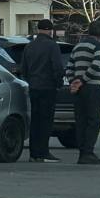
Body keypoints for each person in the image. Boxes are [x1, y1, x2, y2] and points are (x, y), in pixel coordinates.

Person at [21, 19, 65, 163]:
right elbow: (57, 67)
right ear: (50, 30)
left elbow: (24, 69)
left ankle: (34, 153)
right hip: (48, 87)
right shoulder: (52, 46)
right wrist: (59, 83)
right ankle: (43, 152)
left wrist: (29, 81)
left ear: (38, 30)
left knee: (35, 120)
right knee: (46, 121)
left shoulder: (29, 46)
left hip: (33, 87)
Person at [65, 16, 100, 165]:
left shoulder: (78, 46)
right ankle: (88, 152)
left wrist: (73, 83)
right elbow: (96, 65)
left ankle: (83, 152)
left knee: (81, 120)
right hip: (93, 88)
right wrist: (82, 81)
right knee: (94, 120)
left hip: (79, 91)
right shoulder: (98, 45)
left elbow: (69, 67)